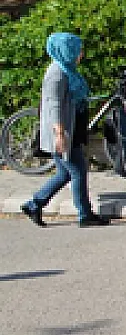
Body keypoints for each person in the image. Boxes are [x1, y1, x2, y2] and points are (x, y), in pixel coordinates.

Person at [20, 32, 110, 228]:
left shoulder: (67, 70)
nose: (81, 53)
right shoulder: (56, 74)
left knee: (64, 173)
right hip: (62, 133)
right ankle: (84, 215)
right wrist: (60, 135)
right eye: (77, 49)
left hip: (71, 129)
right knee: (78, 171)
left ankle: (35, 204)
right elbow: (53, 107)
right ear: (65, 50)